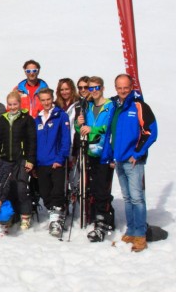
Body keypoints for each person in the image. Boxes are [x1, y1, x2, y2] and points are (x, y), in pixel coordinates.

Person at [102, 74, 157, 252]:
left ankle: (140, 234)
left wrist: (138, 152)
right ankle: (131, 230)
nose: (123, 90)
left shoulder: (139, 106)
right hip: (119, 160)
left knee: (137, 198)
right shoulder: (115, 106)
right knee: (127, 198)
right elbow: (111, 132)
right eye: (119, 87)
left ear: (131, 86)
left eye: (126, 87)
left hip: (133, 161)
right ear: (115, 88)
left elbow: (151, 132)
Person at [75, 76, 115, 241]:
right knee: (93, 188)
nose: (93, 91)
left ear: (102, 88)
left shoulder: (110, 106)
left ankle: (102, 223)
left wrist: (92, 129)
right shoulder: (88, 107)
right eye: (90, 88)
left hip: (105, 154)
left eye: (96, 87)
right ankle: (102, 218)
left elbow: (110, 128)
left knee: (102, 190)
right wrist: (79, 124)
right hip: (90, 153)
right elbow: (81, 131)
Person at [0, 91, 36, 230]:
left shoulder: (26, 119)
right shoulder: (3, 119)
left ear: (19, 103)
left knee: (21, 187)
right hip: (5, 159)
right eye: (10, 104)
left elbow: (32, 140)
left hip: (21, 158)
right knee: (8, 188)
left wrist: (30, 159)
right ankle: (12, 215)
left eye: (15, 104)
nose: (12, 107)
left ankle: (25, 215)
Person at [35, 88, 71, 237]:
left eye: (48, 99)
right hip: (41, 162)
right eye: (43, 100)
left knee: (57, 191)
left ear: (52, 98)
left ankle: (56, 219)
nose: (46, 103)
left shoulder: (61, 116)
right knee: (44, 191)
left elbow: (65, 139)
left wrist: (60, 158)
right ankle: (54, 213)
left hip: (55, 161)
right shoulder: (36, 118)